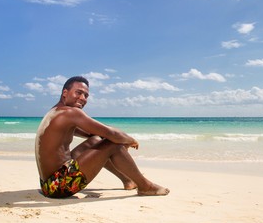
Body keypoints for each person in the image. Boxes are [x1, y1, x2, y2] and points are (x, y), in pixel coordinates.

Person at [35, 76, 169, 198]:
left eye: (86, 95)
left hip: (48, 184)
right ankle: (145, 186)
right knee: (112, 144)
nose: (83, 98)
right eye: (79, 92)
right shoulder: (71, 113)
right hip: (58, 187)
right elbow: (111, 134)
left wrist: (112, 137)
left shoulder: (55, 112)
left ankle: (128, 180)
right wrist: (130, 140)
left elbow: (93, 134)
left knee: (96, 141)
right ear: (65, 93)